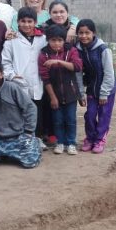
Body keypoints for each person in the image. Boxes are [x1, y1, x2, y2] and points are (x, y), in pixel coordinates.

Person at [1, 7, 47, 146]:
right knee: (20, 112)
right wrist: (13, 76)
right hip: (19, 83)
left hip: (38, 82)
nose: (26, 24)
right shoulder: (11, 40)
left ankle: (37, 138)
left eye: (30, 21)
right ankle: (23, 138)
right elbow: (5, 62)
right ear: (18, 22)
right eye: (23, 21)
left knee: (37, 110)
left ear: (35, 22)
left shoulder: (43, 38)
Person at [75, 19, 116, 154]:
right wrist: (80, 93)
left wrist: (104, 93)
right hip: (91, 88)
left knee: (104, 114)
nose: (84, 36)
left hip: (107, 88)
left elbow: (109, 72)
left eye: (87, 33)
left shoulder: (103, 49)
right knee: (90, 114)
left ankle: (100, 139)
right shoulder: (78, 49)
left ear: (93, 33)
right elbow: (78, 72)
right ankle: (90, 137)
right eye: (81, 33)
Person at [38, 25, 84, 155]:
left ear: (64, 40)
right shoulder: (43, 54)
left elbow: (77, 66)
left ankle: (71, 143)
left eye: (60, 40)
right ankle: (60, 142)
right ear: (48, 40)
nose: (57, 43)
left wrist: (58, 62)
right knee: (57, 120)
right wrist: (52, 97)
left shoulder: (71, 51)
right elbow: (45, 78)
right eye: (53, 40)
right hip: (54, 94)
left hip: (71, 94)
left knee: (71, 119)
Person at [10, 0, 79, 32]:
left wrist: (73, 28)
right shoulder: (17, 17)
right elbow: (15, 33)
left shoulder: (50, 14)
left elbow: (74, 19)